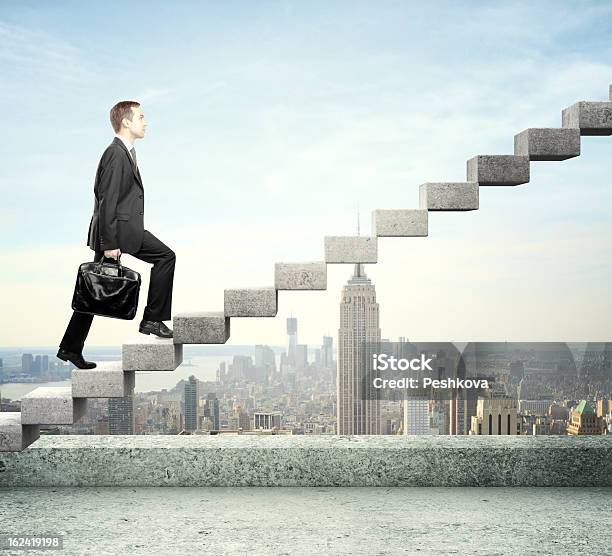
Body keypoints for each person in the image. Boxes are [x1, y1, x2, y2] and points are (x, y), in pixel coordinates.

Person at [57, 101, 176, 369]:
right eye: (141, 117)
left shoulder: (125, 153)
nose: (146, 122)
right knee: (166, 257)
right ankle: (152, 320)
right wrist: (110, 243)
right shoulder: (115, 153)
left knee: (93, 288)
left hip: (119, 229)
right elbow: (106, 200)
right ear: (126, 122)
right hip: (118, 232)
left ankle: (70, 348)